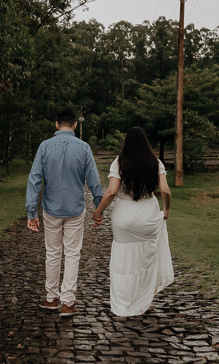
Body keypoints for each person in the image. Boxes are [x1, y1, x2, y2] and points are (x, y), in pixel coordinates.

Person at [25, 108, 104, 317]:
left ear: (56, 124)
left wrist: (31, 211)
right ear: (75, 125)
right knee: (72, 254)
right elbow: (94, 180)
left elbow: (34, 179)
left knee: (52, 253)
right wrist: (99, 206)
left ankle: (51, 298)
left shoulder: (44, 147)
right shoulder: (84, 148)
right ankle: (68, 302)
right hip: (75, 209)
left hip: (51, 208)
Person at [92, 127, 174, 316]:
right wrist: (167, 209)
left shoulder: (119, 162)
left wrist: (97, 212)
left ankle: (124, 300)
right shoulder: (156, 162)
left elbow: (112, 192)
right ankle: (143, 301)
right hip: (148, 215)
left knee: (124, 259)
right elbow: (166, 191)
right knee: (146, 259)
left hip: (125, 217)